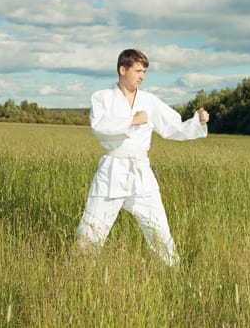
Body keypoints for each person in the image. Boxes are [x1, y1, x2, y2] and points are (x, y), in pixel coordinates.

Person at [76, 49, 209, 267]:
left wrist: (198, 122)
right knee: (92, 227)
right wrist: (132, 120)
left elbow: (172, 128)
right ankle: (80, 273)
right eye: (138, 70)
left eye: (144, 71)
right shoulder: (102, 97)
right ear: (122, 69)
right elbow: (98, 127)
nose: (142, 76)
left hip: (140, 172)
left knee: (158, 227)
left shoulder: (149, 101)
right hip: (112, 170)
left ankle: (172, 272)